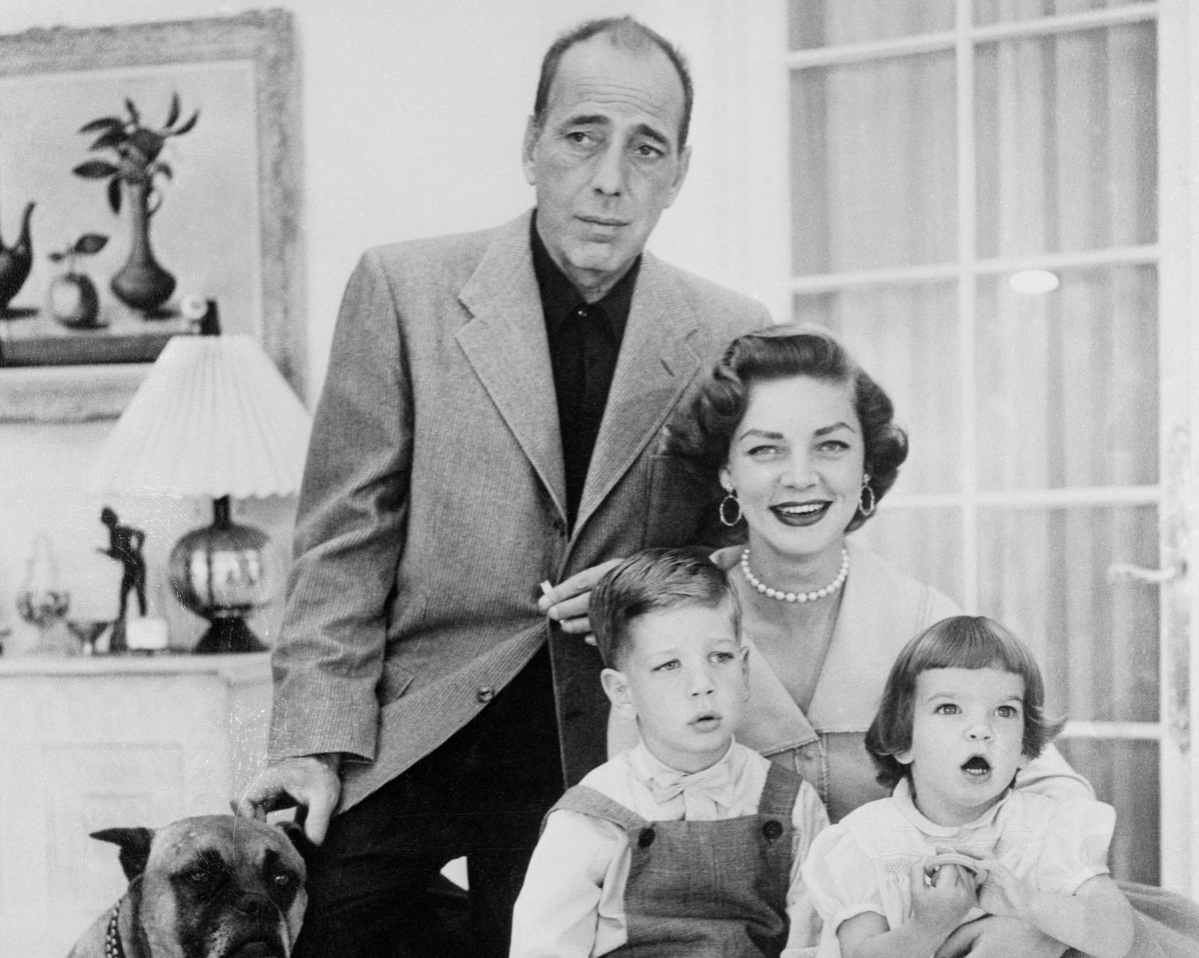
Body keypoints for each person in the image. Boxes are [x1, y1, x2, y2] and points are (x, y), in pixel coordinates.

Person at [235, 16, 769, 958]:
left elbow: (728, 551)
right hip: (410, 722)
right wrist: (310, 744)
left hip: (598, 741)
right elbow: (343, 542)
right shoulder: (403, 290)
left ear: (679, 173)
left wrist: (636, 587)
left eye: (646, 149)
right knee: (312, 939)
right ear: (531, 146)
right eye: (581, 136)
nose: (610, 179)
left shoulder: (729, 331)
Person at [613, 323, 1199, 956]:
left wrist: (995, 918)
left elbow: (1048, 789)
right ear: (726, 470)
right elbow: (629, 824)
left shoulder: (924, 620)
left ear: (866, 464)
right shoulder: (672, 625)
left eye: (831, 446)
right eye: (765, 450)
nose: (801, 476)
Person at [511, 548, 828, 958]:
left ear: (745, 669)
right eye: (668, 665)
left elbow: (814, 939)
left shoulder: (791, 803)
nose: (702, 684)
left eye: (720, 657)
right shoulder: (595, 814)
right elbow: (544, 945)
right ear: (622, 693)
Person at [803, 615, 1135, 958]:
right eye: (949, 708)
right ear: (904, 741)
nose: (981, 729)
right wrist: (929, 926)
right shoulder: (866, 841)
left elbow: (1116, 938)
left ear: (1024, 749)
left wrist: (1028, 902)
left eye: (1004, 711)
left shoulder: (1050, 828)